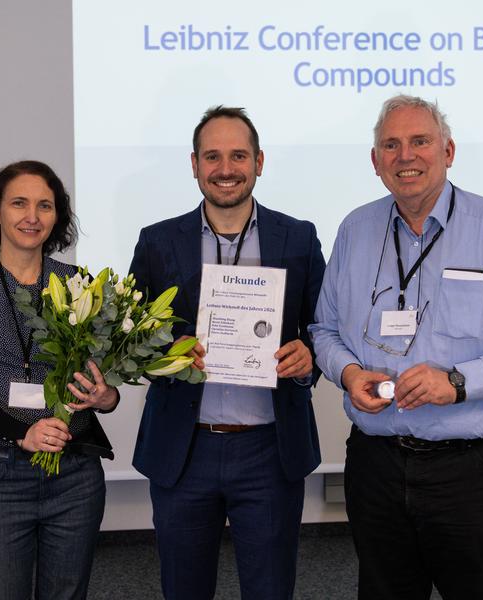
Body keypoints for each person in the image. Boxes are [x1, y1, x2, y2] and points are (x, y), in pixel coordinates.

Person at [309, 95, 483, 600]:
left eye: (419, 142)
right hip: (376, 466)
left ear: (448, 151)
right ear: (375, 161)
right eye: (391, 144)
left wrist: (457, 382)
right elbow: (324, 330)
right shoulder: (355, 231)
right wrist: (347, 373)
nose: (405, 156)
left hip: (473, 472)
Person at [129, 106, 325, 600]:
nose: (226, 168)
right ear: (193, 164)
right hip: (183, 447)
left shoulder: (298, 237)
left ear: (260, 161)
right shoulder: (156, 241)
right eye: (212, 156)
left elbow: (326, 328)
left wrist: (310, 357)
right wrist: (166, 353)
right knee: (184, 589)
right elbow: (130, 338)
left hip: (269, 449)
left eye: (238, 155)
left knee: (270, 590)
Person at [0, 160, 119, 600]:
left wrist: (105, 396)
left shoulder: (79, 285)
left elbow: (104, 386)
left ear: (57, 216)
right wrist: (25, 434)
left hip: (75, 474)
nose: (32, 216)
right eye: (19, 203)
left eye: (45, 205)